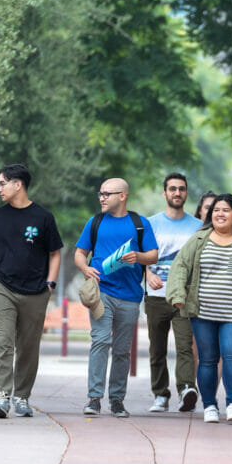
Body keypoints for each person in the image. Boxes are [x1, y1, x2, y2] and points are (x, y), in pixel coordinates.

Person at [167, 194, 232, 423]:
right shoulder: (198, 240)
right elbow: (180, 267)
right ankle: (209, 407)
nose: (220, 214)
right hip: (202, 312)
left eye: (226, 210)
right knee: (207, 359)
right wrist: (177, 295)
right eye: (216, 210)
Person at [0, 164, 63, 419]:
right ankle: (2, 395)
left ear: (18, 184)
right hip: (3, 287)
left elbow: (55, 253)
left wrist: (50, 284)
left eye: (2, 183)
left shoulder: (43, 217)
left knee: (28, 346)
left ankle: (22, 396)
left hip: (36, 291)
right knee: (2, 342)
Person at [74, 178, 158, 417]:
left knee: (122, 350)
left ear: (122, 196)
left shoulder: (140, 223)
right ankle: (94, 398)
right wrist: (85, 268)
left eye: (107, 194)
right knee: (100, 340)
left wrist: (137, 257)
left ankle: (117, 400)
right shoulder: (95, 222)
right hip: (102, 292)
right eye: (100, 193)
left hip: (130, 296)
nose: (101, 198)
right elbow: (79, 253)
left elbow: (153, 255)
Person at [144, 173, 202, 413]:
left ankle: (186, 389)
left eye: (181, 189)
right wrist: (148, 274)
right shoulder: (150, 223)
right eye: (172, 189)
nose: (177, 193)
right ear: (164, 193)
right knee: (156, 347)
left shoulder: (198, 226)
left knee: (185, 346)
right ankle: (160, 394)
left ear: (186, 193)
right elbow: (140, 256)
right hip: (156, 296)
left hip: (184, 298)